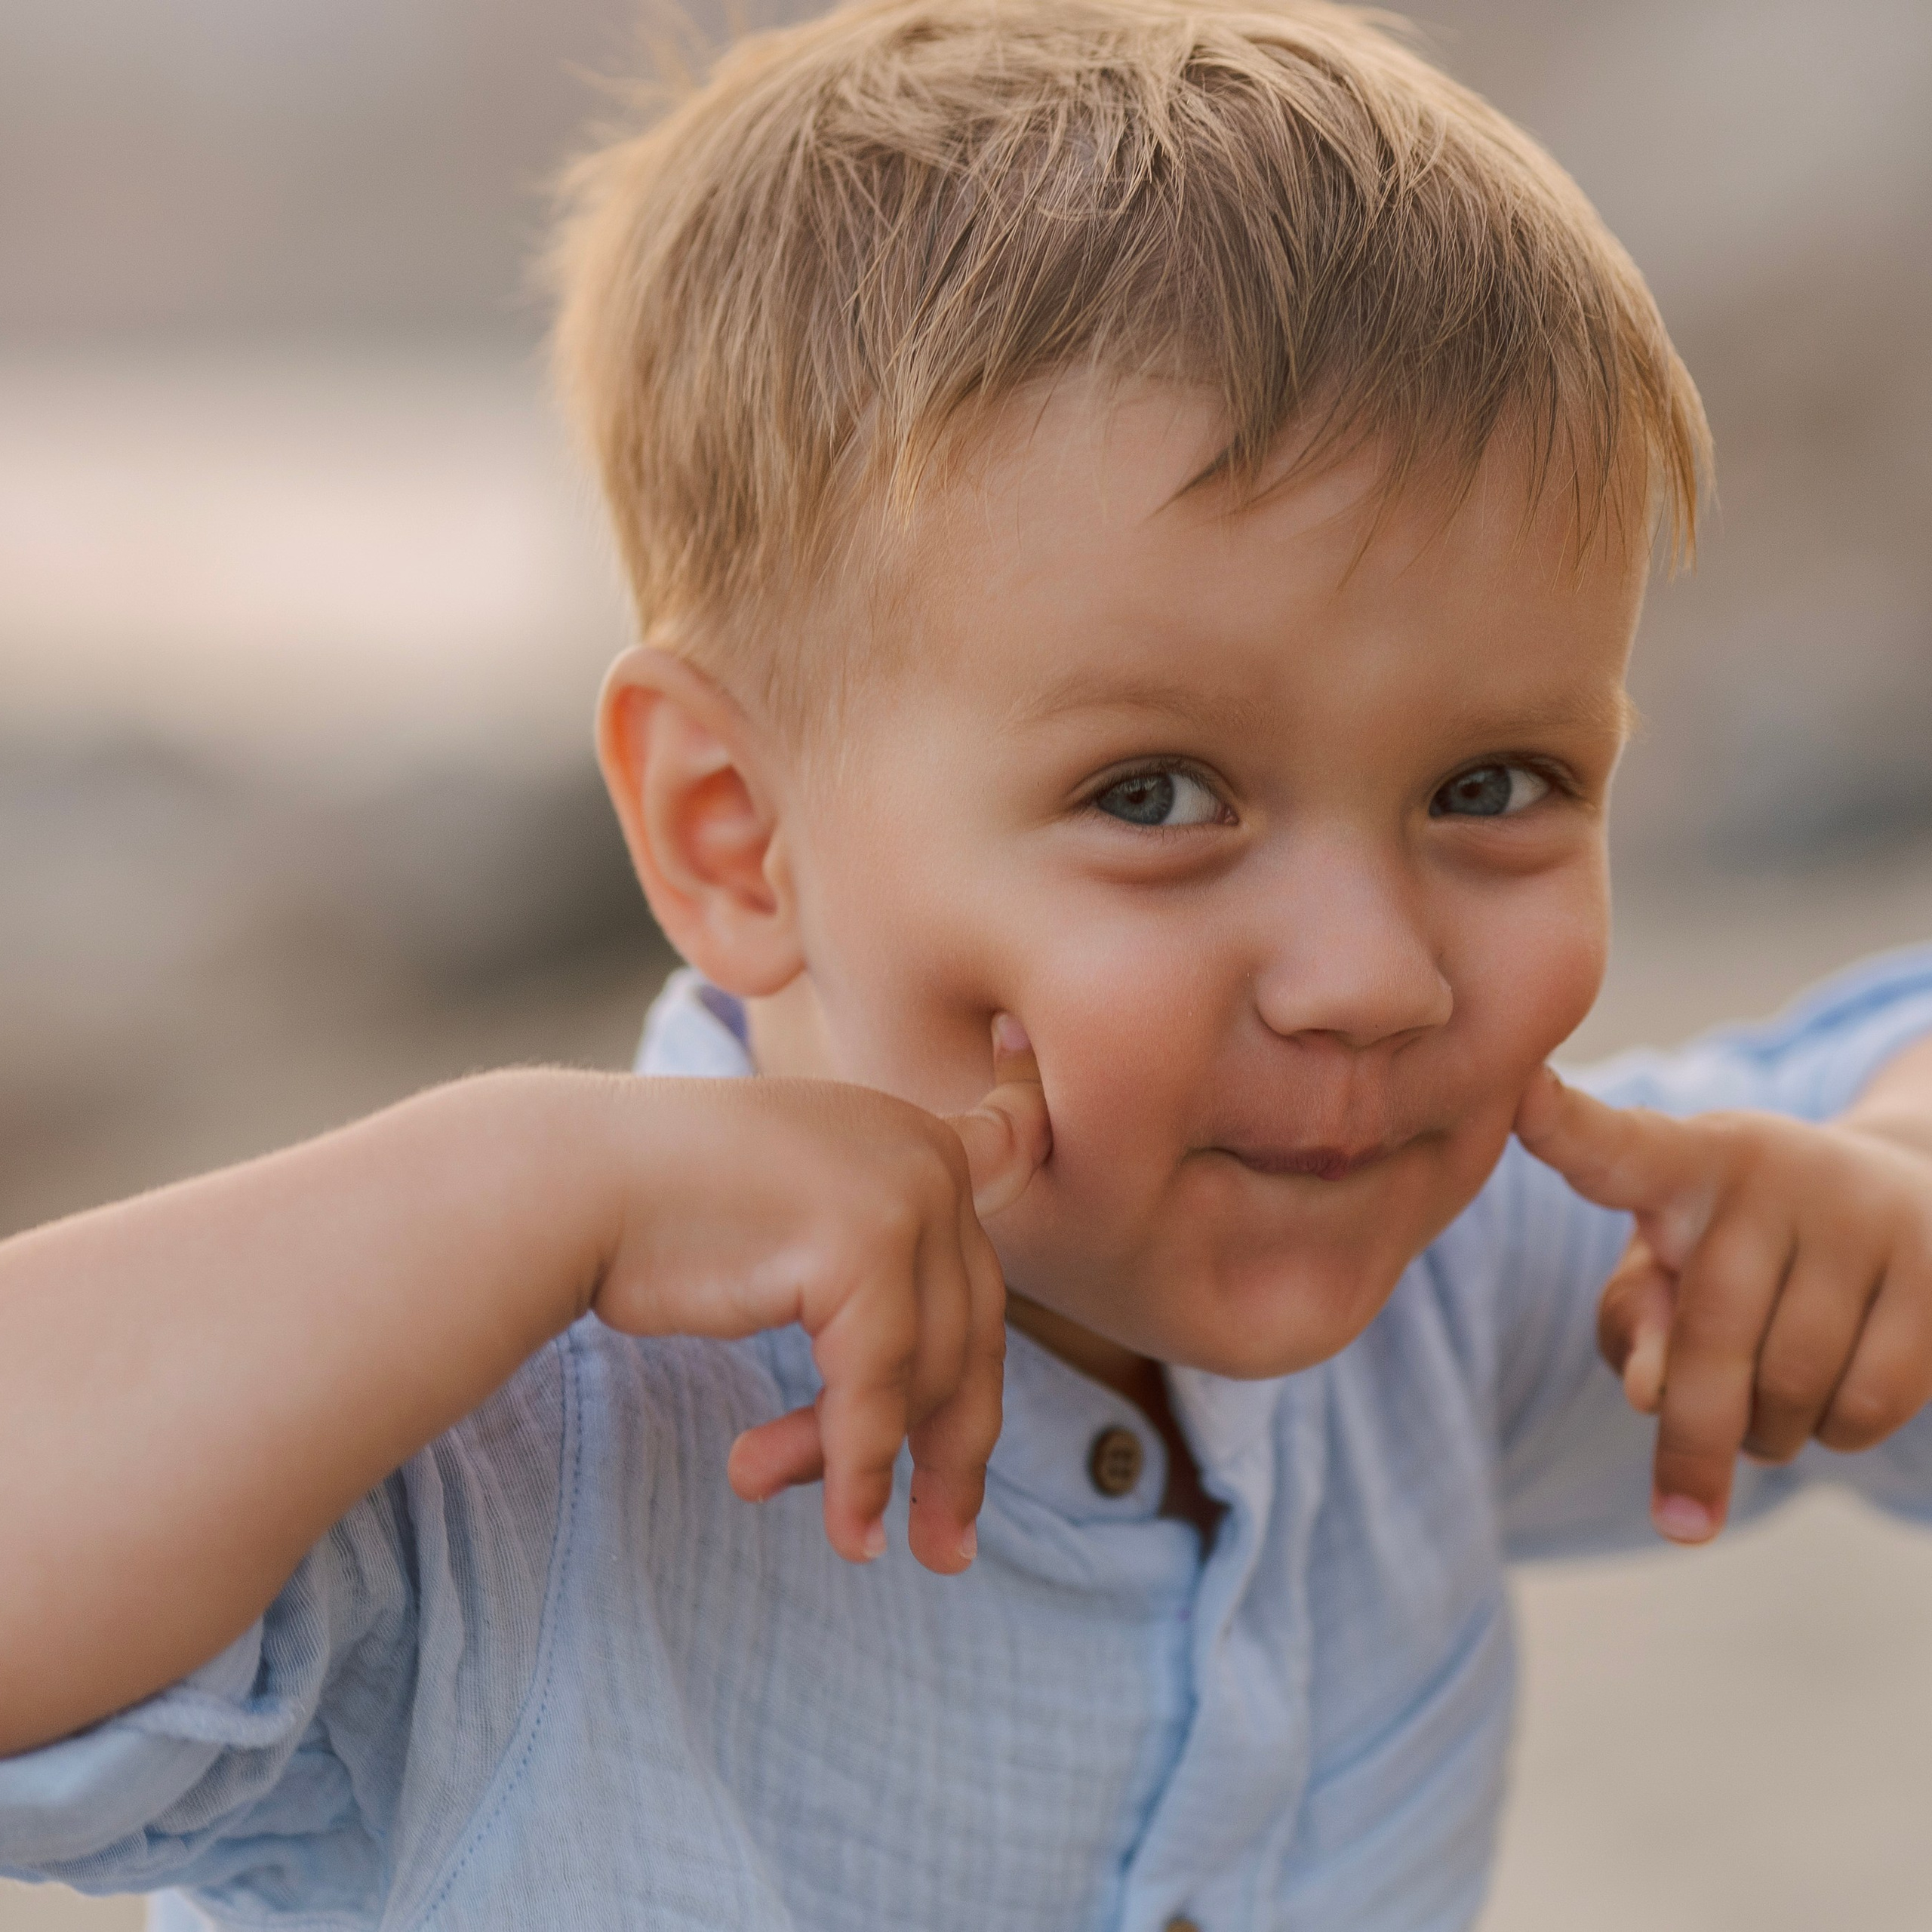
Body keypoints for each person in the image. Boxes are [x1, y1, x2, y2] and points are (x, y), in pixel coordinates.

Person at [3, 2, 1931, 1926]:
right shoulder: (513, 1433)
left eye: (1490, 784)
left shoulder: (1451, 1295)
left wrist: (1879, 1197)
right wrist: (520, 1181)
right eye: (1154, 794)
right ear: (731, 833)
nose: (1369, 977)